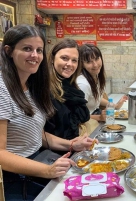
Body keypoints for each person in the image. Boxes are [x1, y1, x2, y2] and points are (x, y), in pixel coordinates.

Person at [0, 24, 96, 200]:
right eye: (27, 49)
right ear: (9, 51)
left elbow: (38, 135)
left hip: (38, 163)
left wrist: (72, 145)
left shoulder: (32, 88)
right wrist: (47, 170)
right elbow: (1, 154)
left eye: (39, 50)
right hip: (14, 180)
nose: (35, 55)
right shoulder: (2, 90)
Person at [44, 39, 91, 140]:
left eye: (74, 60)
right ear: (52, 58)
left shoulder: (71, 86)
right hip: (55, 150)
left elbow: (82, 118)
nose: (70, 64)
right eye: (64, 58)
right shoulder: (45, 89)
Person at [77, 44, 127, 122]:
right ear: (82, 64)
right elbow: (76, 116)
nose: (95, 65)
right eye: (89, 62)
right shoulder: (83, 84)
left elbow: (96, 99)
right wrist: (99, 118)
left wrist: (115, 106)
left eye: (97, 59)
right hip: (87, 123)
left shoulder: (95, 76)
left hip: (95, 115)